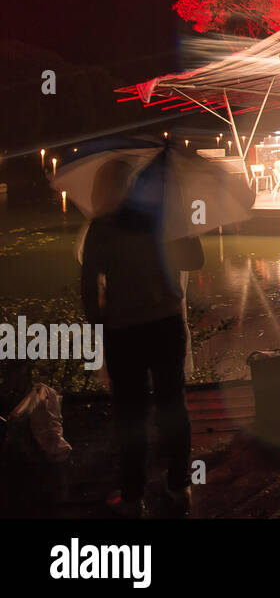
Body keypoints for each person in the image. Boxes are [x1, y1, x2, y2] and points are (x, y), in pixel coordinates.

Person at [79, 159, 204, 518]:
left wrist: (99, 330)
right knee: (172, 406)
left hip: (124, 331)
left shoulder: (101, 228)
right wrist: (180, 222)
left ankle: (133, 496)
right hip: (165, 324)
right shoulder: (160, 219)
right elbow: (196, 260)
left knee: (129, 413)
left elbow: (90, 289)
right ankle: (179, 487)